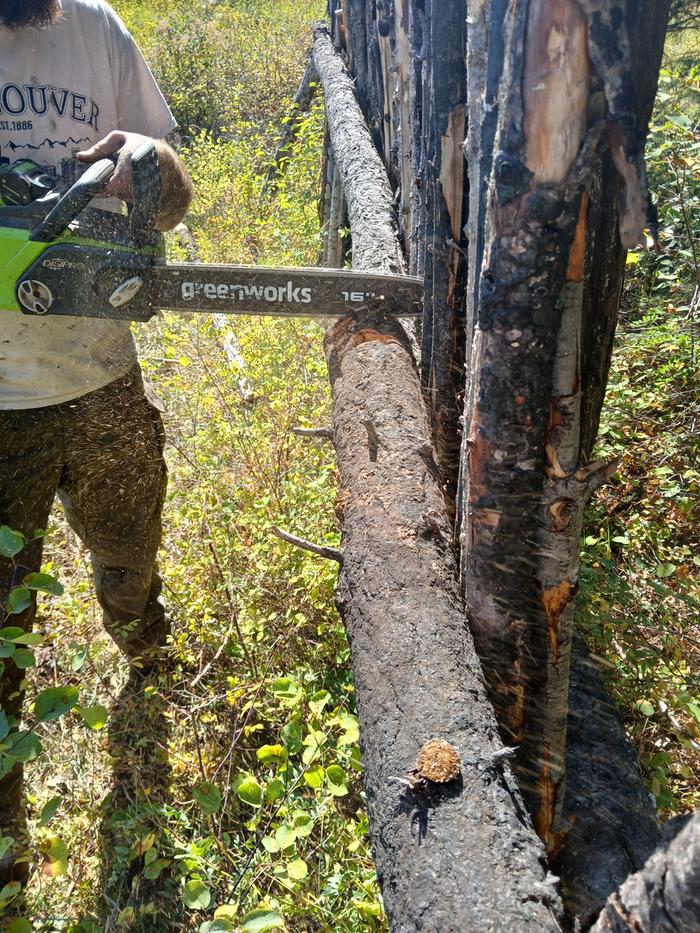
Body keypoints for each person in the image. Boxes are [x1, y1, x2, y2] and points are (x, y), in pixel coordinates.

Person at [0, 0, 193, 883]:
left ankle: (145, 649)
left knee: (130, 545)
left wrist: (146, 168)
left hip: (101, 378)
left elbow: (177, 198)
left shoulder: (94, 27)